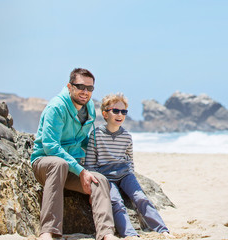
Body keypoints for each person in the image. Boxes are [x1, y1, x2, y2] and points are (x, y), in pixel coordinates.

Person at [30, 68, 119, 240]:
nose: (85, 92)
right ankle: (47, 231)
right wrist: (81, 171)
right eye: (80, 87)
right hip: (46, 164)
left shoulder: (90, 108)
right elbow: (50, 146)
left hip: (72, 168)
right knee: (58, 164)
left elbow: (83, 139)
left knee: (99, 180)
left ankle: (106, 233)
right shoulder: (56, 107)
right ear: (69, 86)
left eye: (90, 88)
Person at [83, 92, 173, 238]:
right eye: (116, 111)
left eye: (124, 111)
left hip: (125, 174)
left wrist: (130, 174)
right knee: (116, 202)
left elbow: (130, 159)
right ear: (105, 114)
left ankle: (162, 229)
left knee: (141, 198)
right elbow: (90, 163)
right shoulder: (96, 135)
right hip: (106, 177)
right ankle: (130, 234)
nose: (120, 114)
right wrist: (96, 181)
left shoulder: (126, 136)